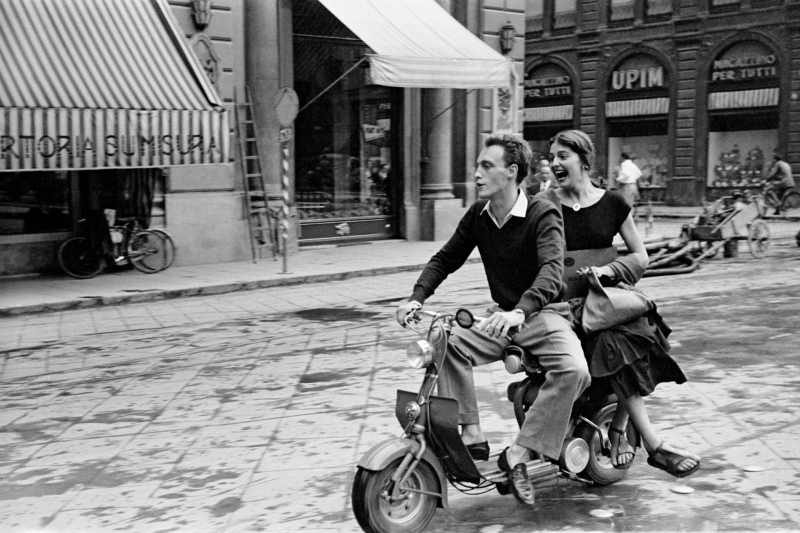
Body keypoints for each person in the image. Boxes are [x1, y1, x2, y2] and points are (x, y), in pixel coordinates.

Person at [395, 134, 590, 505]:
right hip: (501, 317)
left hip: (542, 314)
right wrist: (416, 297)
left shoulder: (542, 212)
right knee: (445, 338)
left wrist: (521, 309)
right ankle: (471, 433)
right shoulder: (479, 215)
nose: (476, 174)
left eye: (486, 166)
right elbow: (445, 258)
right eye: (478, 166)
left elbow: (551, 271)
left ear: (512, 172)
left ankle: (521, 451)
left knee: (574, 371)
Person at [538, 130, 701, 478]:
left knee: (642, 329)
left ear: (584, 160)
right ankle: (652, 444)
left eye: (562, 155)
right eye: (552, 156)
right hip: (564, 305)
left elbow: (640, 257)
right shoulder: (544, 202)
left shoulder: (613, 203)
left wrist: (609, 270)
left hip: (604, 298)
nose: (554, 163)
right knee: (614, 341)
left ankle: (621, 427)